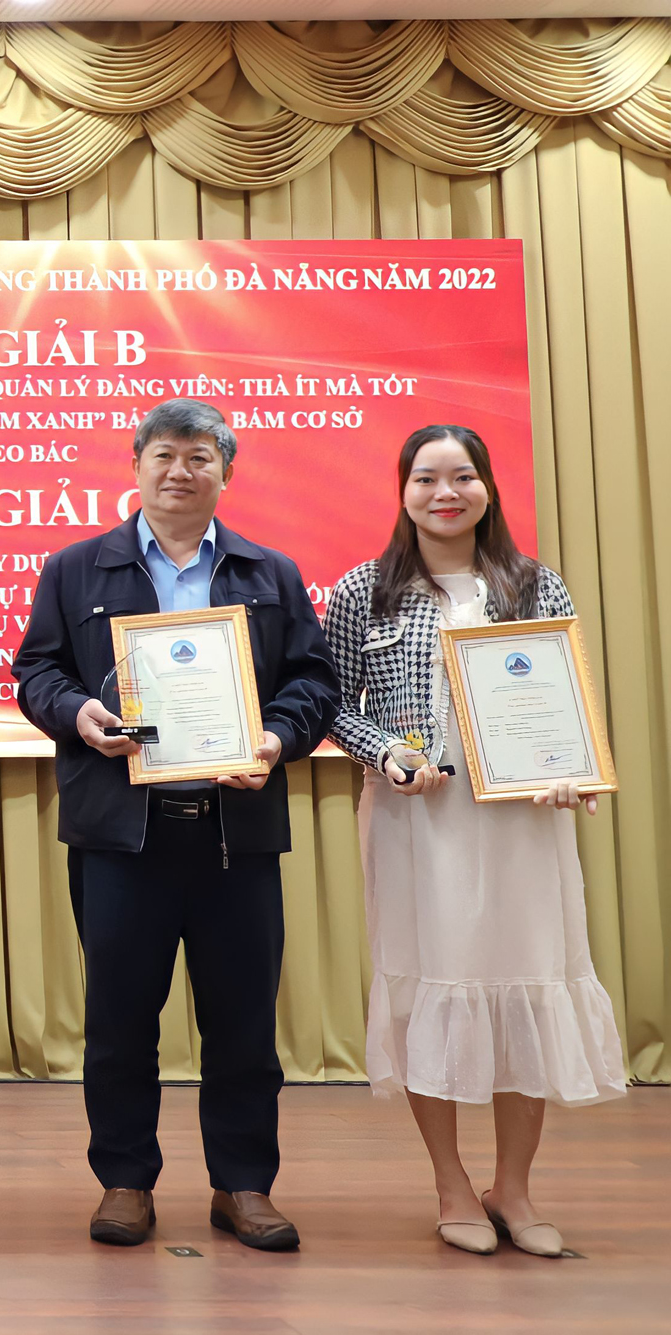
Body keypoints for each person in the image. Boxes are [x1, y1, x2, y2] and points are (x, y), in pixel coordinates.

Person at [11, 398, 337, 1253]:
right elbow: (36, 671)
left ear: (225, 473)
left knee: (242, 1020)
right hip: (123, 834)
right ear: (136, 466)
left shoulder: (269, 572)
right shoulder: (77, 568)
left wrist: (273, 736)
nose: (180, 469)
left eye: (200, 455)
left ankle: (243, 1184)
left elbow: (312, 682)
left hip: (236, 831)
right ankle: (125, 1180)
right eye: (164, 453)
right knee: (120, 1017)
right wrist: (78, 712)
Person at [323, 425, 626, 1257]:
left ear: (488, 486)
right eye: (426, 477)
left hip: (523, 823)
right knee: (433, 986)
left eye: (462, 476)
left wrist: (568, 768)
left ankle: (515, 1189)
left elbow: (567, 700)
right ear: (403, 489)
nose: (444, 492)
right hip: (417, 822)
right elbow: (331, 703)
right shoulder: (364, 591)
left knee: (524, 983)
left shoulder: (533, 585)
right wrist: (386, 752)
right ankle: (452, 1183)